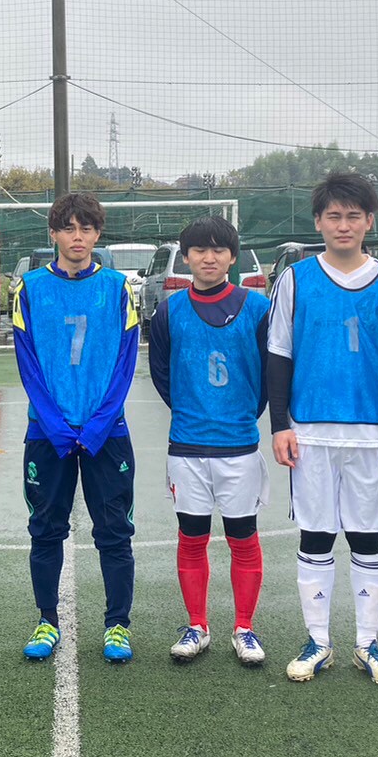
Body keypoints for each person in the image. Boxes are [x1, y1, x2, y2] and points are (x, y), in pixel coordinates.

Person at [268, 173, 378, 686]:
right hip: (310, 431)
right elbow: (279, 352)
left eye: (354, 216)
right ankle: (318, 642)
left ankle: (368, 644)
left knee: (367, 537)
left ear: (369, 221)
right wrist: (280, 424)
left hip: (373, 434)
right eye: (334, 216)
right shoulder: (296, 278)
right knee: (316, 535)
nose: (343, 225)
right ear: (318, 222)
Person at [12, 192, 140, 663]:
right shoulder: (29, 288)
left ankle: (117, 626)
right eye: (68, 228)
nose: (77, 237)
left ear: (97, 233)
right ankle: (47, 620)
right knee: (45, 530)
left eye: (86, 228)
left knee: (115, 532)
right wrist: (56, 425)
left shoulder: (118, 288)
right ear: (53, 233)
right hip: (48, 434)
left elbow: (126, 362)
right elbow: (28, 363)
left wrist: (100, 423)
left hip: (107, 432)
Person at [147, 215, 271, 666]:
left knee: (243, 538)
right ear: (186, 257)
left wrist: (241, 414)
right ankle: (197, 625)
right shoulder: (170, 310)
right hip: (188, 446)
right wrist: (189, 410)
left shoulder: (257, 308)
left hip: (239, 446)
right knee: (192, 536)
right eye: (199, 249)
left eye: (219, 249)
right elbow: (161, 372)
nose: (209, 257)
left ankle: (244, 628)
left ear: (232, 257)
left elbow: (269, 374)